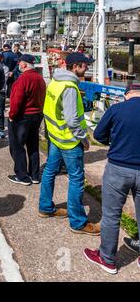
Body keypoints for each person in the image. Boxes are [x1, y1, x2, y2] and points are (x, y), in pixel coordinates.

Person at [39, 52, 100, 235]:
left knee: (50, 170)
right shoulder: (70, 87)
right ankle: (78, 222)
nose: (87, 68)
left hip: (55, 136)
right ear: (75, 67)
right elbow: (73, 120)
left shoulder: (56, 81)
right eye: (84, 65)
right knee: (76, 179)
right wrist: (84, 138)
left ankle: (45, 207)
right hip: (69, 140)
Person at [83, 84, 140, 275]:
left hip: (118, 168)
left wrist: (114, 141)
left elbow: (99, 134)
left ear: (126, 95)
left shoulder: (116, 109)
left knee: (111, 216)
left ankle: (107, 259)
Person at [8, 54, 46, 186]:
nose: (18, 66)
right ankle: (34, 175)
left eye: (19, 63)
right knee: (33, 145)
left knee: (17, 146)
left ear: (23, 64)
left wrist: (12, 115)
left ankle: (22, 175)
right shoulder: (40, 79)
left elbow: (16, 100)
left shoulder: (23, 79)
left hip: (23, 116)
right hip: (37, 114)